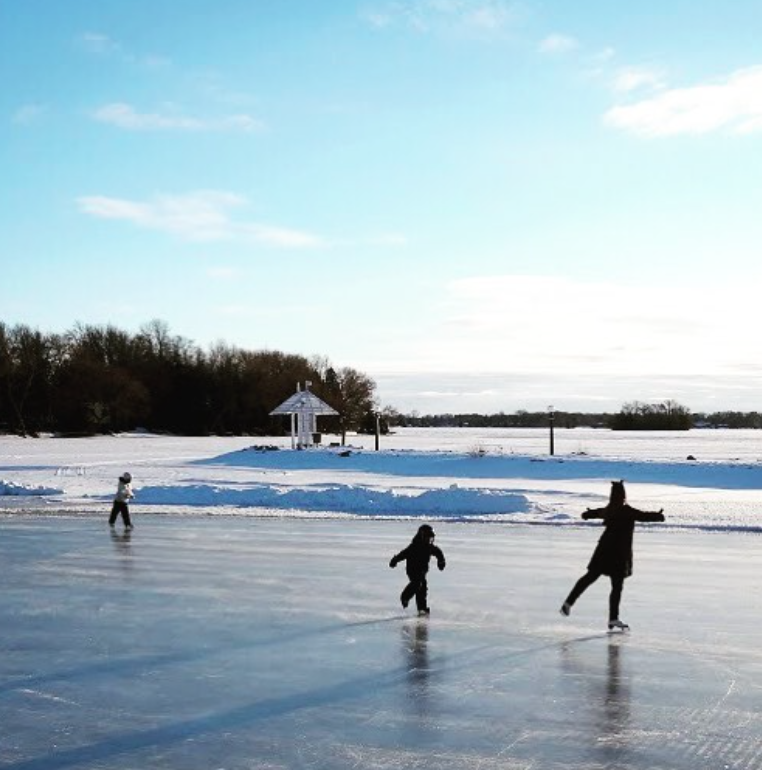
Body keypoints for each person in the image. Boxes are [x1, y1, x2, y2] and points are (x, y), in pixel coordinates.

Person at [560, 481, 664, 630]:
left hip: (603, 550)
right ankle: (613, 618)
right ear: (623, 495)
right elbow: (643, 516)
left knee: (589, 578)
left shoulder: (609, 509)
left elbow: (595, 512)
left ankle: (568, 602)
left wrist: (587, 514)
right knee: (616, 587)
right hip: (619, 554)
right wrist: (659, 516)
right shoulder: (626, 510)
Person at [389, 524, 446, 616]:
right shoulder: (414, 546)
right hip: (412, 570)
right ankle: (405, 597)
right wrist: (394, 560)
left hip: (422, 571)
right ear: (422, 536)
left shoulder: (429, 547)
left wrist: (441, 562)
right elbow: (403, 554)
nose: (429, 540)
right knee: (417, 583)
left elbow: (438, 552)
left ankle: (422, 608)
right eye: (428, 537)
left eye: (430, 538)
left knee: (422, 588)